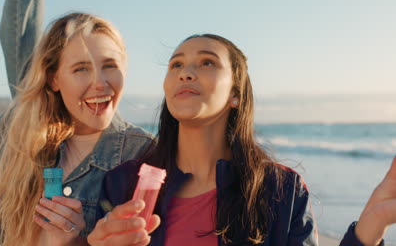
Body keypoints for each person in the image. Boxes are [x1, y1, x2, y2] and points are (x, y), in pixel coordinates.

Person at [0, 0, 153, 245]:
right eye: (81, 69)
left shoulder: (142, 154)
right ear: (53, 79)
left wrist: (76, 240)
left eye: (110, 65)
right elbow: (21, 44)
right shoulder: (31, 130)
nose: (100, 82)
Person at [87, 34, 319, 246]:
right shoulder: (122, 183)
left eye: (207, 62)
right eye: (176, 64)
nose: (184, 73)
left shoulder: (281, 189)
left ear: (235, 94)